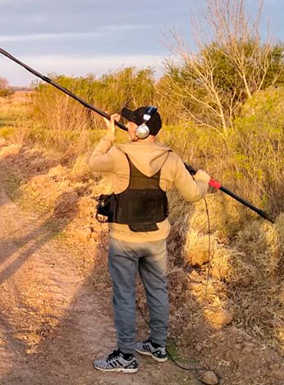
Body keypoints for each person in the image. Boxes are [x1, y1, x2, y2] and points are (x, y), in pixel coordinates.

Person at [88, 106, 214, 374]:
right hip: (156, 239)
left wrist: (109, 136)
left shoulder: (119, 154)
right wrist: (202, 180)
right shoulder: (172, 159)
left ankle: (125, 356)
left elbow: (93, 162)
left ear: (142, 130)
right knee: (157, 290)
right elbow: (193, 194)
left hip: (124, 239)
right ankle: (158, 346)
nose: (129, 127)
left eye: (132, 123)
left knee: (124, 295)